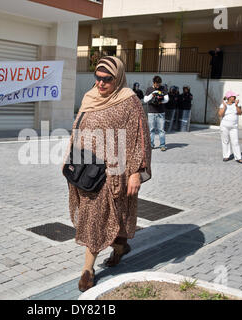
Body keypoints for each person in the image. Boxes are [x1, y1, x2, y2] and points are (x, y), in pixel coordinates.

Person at [66, 56, 151, 292]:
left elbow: (141, 138)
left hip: (113, 172)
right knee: (100, 216)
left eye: (107, 79)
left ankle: (88, 269)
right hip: (85, 169)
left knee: (97, 216)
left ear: (119, 77)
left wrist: (137, 172)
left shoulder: (129, 101)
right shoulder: (90, 96)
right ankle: (120, 247)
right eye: (98, 77)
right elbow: (77, 129)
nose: (101, 83)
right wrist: (69, 161)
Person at [143, 76, 169, 151]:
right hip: (151, 112)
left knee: (161, 130)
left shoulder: (163, 88)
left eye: (159, 84)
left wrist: (161, 101)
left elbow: (167, 99)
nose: (158, 86)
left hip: (161, 112)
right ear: (153, 83)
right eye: (156, 84)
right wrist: (152, 95)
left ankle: (162, 145)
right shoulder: (149, 89)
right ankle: (151, 144)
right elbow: (145, 100)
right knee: (151, 130)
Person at [218, 91, 242, 164]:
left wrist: (236, 106)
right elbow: (220, 114)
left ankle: (238, 157)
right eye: (233, 96)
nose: (235, 97)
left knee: (235, 142)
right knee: (225, 141)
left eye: (235, 96)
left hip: (234, 127)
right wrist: (224, 107)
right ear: (229, 97)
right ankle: (226, 156)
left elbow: (240, 113)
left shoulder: (237, 104)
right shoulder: (223, 104)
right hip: (224, 126)